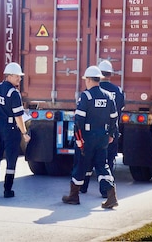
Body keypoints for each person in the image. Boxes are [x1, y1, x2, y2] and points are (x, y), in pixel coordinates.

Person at [62, 66, 119, 208]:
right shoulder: (108, 96)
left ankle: (73, 196)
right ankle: (111, 196)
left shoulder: (85, 96)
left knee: (80, 164)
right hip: (103, 137)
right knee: (102, 165)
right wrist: (112, 134)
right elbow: (114, 118)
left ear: (88, 80)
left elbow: (78, 120)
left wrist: (78, 139)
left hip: (87, 137)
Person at [80, 60, 125, 195]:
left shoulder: (89, 92)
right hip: (109, 131)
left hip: (91, 131)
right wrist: (113, 132)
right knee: (106, 161)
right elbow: (119, 110)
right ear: (111, 74)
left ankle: (83, 186)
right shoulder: (117, 91)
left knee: (87, 159)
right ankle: (106, 189)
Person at [0, 62, 31, 198]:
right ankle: (7, 190)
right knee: (11, 159)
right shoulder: (14, 93)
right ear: (9, 76)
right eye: (17, 76)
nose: (20, 79)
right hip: (10, 129)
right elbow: (18, 116)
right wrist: (24, 133)